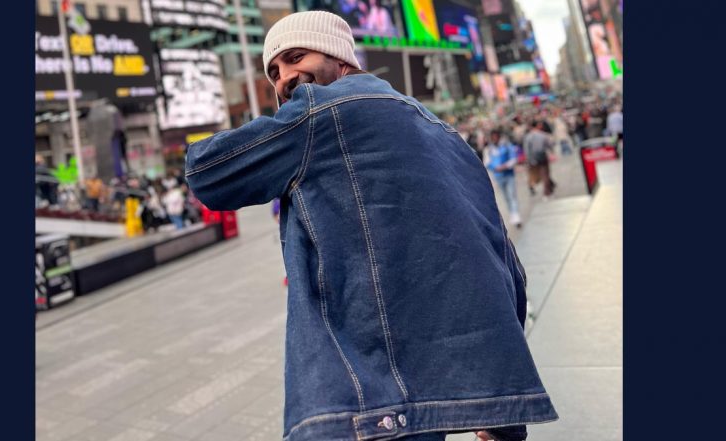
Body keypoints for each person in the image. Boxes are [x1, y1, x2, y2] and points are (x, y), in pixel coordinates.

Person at [185, 11, 557, 441]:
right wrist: (502, 412)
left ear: (340, 58)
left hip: (366, 392)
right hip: (432, 395)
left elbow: (207, 172)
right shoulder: (446, 134)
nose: (285, 77)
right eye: (274, 70)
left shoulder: (319, 112)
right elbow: (501, 261)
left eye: (295, 56)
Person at [484, 130, 522, 228]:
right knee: (506, 197)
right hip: (498, 177)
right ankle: (512, 214)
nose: (495, 138)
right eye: (493, 137)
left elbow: (514, 158)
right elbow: (487, 163)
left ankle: (516, 214)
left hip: (509, 174)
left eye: (496, 136)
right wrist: (495, 168)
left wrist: (505, 166)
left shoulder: (506, 145)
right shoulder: (489, 149)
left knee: (512, 194)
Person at [523, 120, 556, 199]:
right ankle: (547, 192)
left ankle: (548, 188)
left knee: (537, 174)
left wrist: (529, 160)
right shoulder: (543, 135)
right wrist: (552, 152)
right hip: (542, 156)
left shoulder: (528, 137)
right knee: (545, 174)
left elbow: (527, 149)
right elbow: (549, 145)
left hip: (533, 158)